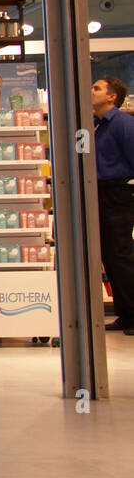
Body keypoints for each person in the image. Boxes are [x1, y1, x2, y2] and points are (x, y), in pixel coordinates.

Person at [93, 77, 134, 334]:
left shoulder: (123, 123)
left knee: (121, 254)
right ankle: (126, 313)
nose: (91, 90)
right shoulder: (98, 126)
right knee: (110, 255)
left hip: (120, 191)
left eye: (96, 88)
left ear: (112, 97)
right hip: (103, 193)